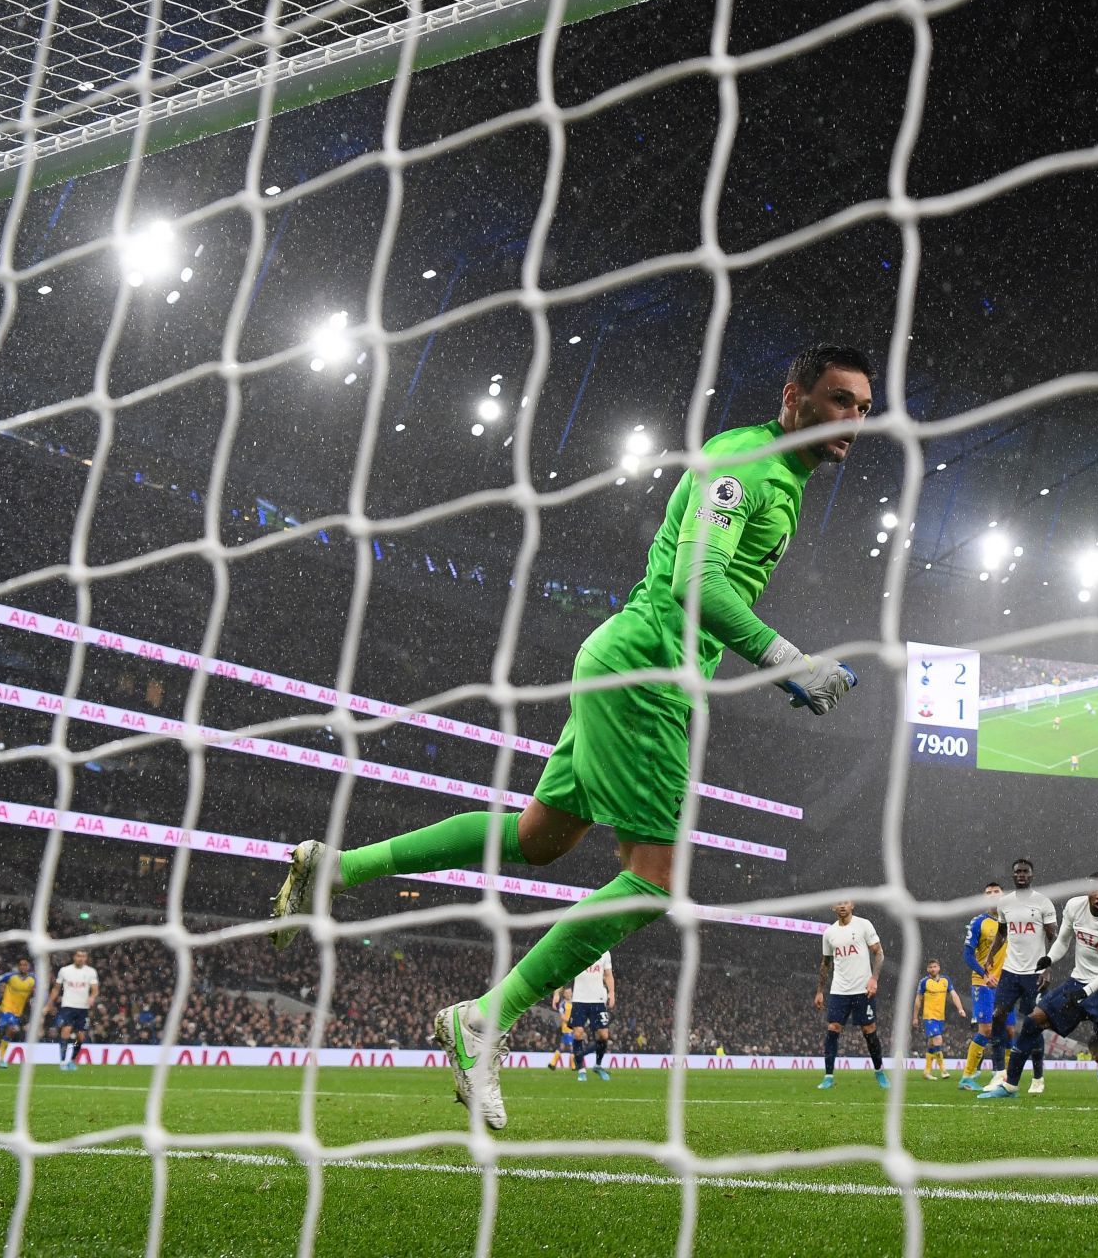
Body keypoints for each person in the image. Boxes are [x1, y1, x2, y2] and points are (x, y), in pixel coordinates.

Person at [270, 345, 875, 1129]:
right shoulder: (752, 467)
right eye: (838, 400)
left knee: (540, 840)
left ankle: (339, 868)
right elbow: (698, 583)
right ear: (794, 398)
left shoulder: (771, 473)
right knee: (654, 881)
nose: (852, 420)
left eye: (862, 407)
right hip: (647, 670)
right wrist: (784, 658)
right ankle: (483, 1019)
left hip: (626, 657)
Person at [978, 872, 1098, 1101]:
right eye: (1094, 890)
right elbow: (1063, 941)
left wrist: (1086, 991)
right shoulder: (1074, 907)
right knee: (1033, 1021)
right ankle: (1010, 1086)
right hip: (1079, 980)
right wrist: (1050, 958)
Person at [985, 858, 1058, 1095]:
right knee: (997, 1016)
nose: (1021, 875)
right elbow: (1002, 933)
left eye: (1025, 872)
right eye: (1017, 872)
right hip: (1010, 972)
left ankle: (1037, 1077)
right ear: (1013, 875)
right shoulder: (1004, 903)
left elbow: (1053, 937)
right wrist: (990, 955)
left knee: (1032, 1024)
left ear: (1032, 875)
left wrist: (1048, 967)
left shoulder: (1043, 902)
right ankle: (998, 1073)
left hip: (1034, 974)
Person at [815, 900, 887, 1090]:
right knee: (833, 1028)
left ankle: (879, 1071)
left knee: (868, 1030)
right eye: (838, 903)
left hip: (863, 989)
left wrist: (874, 979)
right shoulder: (829, 933)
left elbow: (879, 953)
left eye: (845, 902)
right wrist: (820, 991)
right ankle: (828, 1076)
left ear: (852, 905)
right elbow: (826, 963)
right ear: (832, 907)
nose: (842, 906)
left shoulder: (864, 925)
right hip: (839, 990)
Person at [958, 883, 1007, 1090]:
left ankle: (1004, 1078)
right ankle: (967, 1077)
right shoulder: (978, 922)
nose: (993, 895)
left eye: (996, 892)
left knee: (1008, 1031)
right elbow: (967, 955)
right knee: (986, 1030)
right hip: (983, 983)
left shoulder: (1011, 921)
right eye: (988, 893)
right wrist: (985, 974)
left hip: (1006, 985)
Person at [912, 960, 966, 1079]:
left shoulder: (945, 981)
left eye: (935, 966)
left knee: (932, 1044)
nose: (933, 969)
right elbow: (918, 1000)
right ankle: (943, 1070)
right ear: (927, 969)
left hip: (940, 1017)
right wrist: (915, 1017)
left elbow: (954, 995)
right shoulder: (924, 982)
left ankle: (927, 1072)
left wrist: (960, 1008)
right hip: (929, 1016)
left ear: (939, 968)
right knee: (938, 1039)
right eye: (930, 967)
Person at [48, 950, 98, 1072]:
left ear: (86, 958)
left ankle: (72, 1060)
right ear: (74, 957)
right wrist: (50, 1003)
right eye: (79, 956)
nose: (81, 958)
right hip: (68, 1006)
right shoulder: (65, 971)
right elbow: (56, 989)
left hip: (83, 1008)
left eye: (83, 956)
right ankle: (63, 1061)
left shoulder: (91, 972)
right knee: (66, 1031)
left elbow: (95, 990)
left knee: (81, 1037)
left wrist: (92, 997)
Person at [569, 953, 616, 1082]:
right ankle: (581, 1069)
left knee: (603, 1035)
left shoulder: (605, 952)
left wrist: (612, 993)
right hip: (579, 999)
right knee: (578, 1033)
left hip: (598, 1000)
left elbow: (608, 975)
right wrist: (557, 993)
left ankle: (597, 1065)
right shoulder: (579, 948)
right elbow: (565, 972)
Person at [0, 958, 35, 1069]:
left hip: (18, 1012)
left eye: (25, 965)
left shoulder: (33, 979)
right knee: (11, 1029)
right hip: (6, 1009)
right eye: (21, 965)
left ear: (28, 966)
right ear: (18, 966)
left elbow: (41, 991)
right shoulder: (10, 976)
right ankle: (0, 1060)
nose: (23, 967)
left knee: (5, 1034)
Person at [549, 987, 575, 1070]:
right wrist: (570, 1021)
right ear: (564, 994)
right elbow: (562, 1016)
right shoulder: (562, 1004)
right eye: (567, 993)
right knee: (572, 1047)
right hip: (567, 1028)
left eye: (570, 992)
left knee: (562, 1046)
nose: (568, 994)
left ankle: (552, 1064)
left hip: (573, 1027)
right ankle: (574, 1066)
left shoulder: (574, 1003)